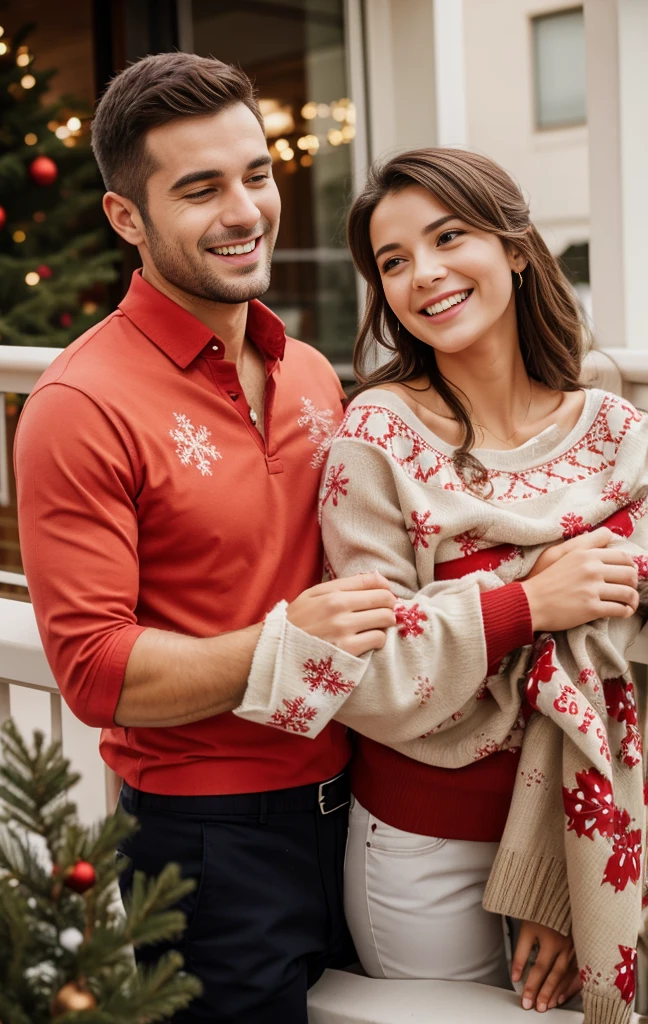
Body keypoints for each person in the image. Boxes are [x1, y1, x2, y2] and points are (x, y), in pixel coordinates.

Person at [14, 52, 403, 1024]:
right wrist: (287, 643)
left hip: (367, 808)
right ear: (126, 219)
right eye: (200, 189)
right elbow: (96, 670)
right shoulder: (77, 403)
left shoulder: (311, 369)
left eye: (257, 175)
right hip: (207, 845)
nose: (244, 210)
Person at [236, 149, 646, 1024]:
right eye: (392, 262)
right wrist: (530, 602)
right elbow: (371, 680)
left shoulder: (615, 429)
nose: (423, 274)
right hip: (430, 855)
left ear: (518, 248)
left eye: (448, 237)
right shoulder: (374, 439)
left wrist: (558, 870)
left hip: (597, 831)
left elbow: (632, 652)